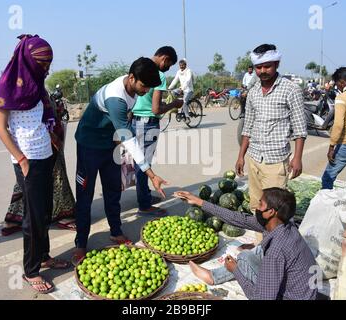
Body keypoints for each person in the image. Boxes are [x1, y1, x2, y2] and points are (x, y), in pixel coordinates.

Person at [72, 57, 169, 266]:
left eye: (149, 88)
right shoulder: (116, 97)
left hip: (111, 145)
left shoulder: (133, 89)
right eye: (143, 86)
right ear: (131, 77)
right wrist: (151, 174)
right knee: (85, 195)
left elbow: (125, 126)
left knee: (113, 190)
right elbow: (129, 137)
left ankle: (115, 232)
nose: (145, 92)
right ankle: (80, 243)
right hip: (89, 145)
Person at [0, 34, 70, 294]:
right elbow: (1, 129)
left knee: (45, 211)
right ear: (27, 59)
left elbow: (44, 117)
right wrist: (23, 160)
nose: (46, 68)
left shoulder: (36, 83)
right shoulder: (7, 86)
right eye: (42, 63)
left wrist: (52, 142)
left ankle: (44, 255)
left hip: (45, 154)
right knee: (33, 217)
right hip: (27, 159)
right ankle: (31, 270)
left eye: (49, 63)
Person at [173, 188, 318, 300]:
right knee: (258, 250)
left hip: (290, 296)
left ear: (270, 212)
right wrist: (199, 202)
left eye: (260, 203)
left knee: (243, 258)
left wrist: (235, 270)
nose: (256, 207)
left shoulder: (276, 251)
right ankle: (214, 275)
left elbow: (262, 298)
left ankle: (216, 276)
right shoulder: (284, 224)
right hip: (306, 290)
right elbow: (238, 219)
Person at [236, 44, 307, 212]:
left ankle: (275, 238)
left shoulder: (291, 89)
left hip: (275, 161)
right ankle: (260, 238)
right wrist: (241, 156)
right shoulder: (253, 92)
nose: (263, 71)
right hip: (254, 158)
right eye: (258, 67)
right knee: (256, 206)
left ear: (277, 64)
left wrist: (297, 158)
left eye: (267, 66)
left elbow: (300, 128)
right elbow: (248, 126)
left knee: (273, 210)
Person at [1, 90, 76, 236]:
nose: (46, 71)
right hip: (36, 151)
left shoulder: (37, 88)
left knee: (27, 189)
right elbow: (37, 124)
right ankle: (60, 218)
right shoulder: (26, 91)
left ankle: (19, 221)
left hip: (41, 148)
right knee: (53, 181)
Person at [130, 47, 183, 217]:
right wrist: (174, 104)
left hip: (135, 120)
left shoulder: (138, 67)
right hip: (147, 123)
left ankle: (144, 196)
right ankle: (144, 205)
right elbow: (156, 109)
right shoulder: (158, 75)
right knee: (144, 164)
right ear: (164, 58)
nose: (168, 68)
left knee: (140, 161)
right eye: (169, 64)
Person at [168, 59, 194, 124]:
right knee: (173, 92)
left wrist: (182, 88)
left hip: (189, 90)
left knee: (184, 101)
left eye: (183, 65)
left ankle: (187, 117)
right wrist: (169, 88)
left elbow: (188, 81)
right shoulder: (178, 72)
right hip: (181, 89)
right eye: (180, 65)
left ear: (185, 65)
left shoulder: (188, 71)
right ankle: (176, 108)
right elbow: (175, 80)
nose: (181, 67)